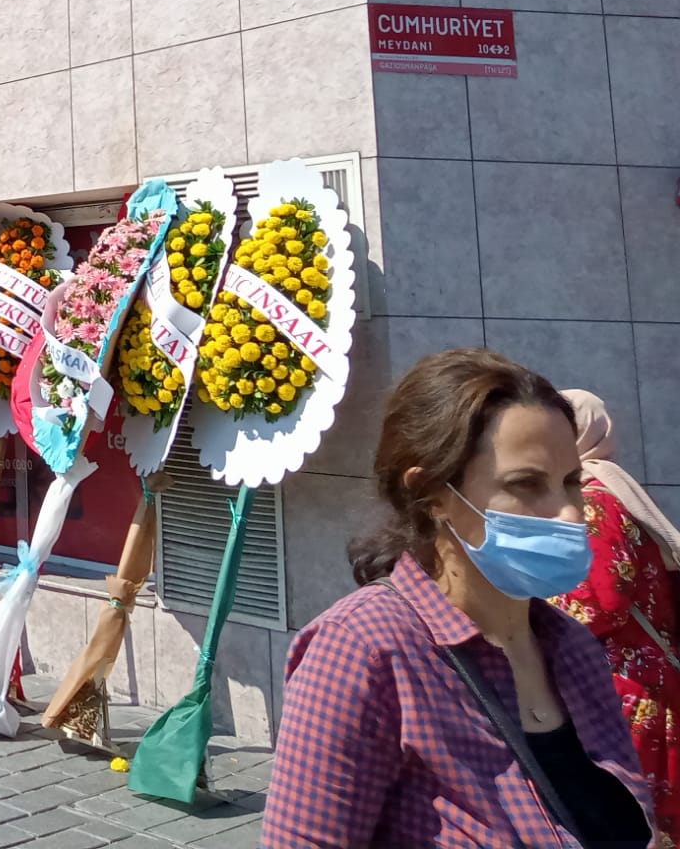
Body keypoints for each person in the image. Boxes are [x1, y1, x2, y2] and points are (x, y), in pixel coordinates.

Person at [265, 349, 653, 849]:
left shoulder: (572, 648)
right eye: (527, 485)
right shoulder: (364, 651)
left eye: (572, 482)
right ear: (433, 493)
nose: (572, 515)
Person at [553, 389, 680, 846]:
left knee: (627, 822)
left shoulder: (593, 500)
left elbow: (599, 602)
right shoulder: (619, 489)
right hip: (647, 678)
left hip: (622, 688)